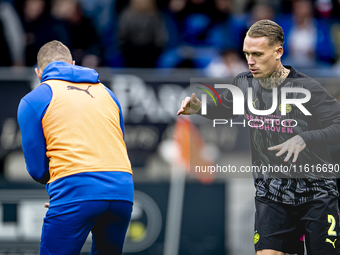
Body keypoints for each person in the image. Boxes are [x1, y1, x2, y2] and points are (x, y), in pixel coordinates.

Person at [177, 20, 340, 254]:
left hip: (316, 196)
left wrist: (306, 138)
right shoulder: (244, 83)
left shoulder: (307, 89)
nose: (250, 61)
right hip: (271, 195)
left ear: (278, 52)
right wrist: (199, 107)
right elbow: (224, 106)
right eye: (246, 54)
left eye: (257, 54)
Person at [17, 40, 134, 254]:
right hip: (122, 191)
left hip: (74, 190)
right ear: (72, 63)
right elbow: (117, 143)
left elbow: (38, 170)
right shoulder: (108, 94)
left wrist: (64, 193)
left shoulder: (34, 99)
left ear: (38, 72)